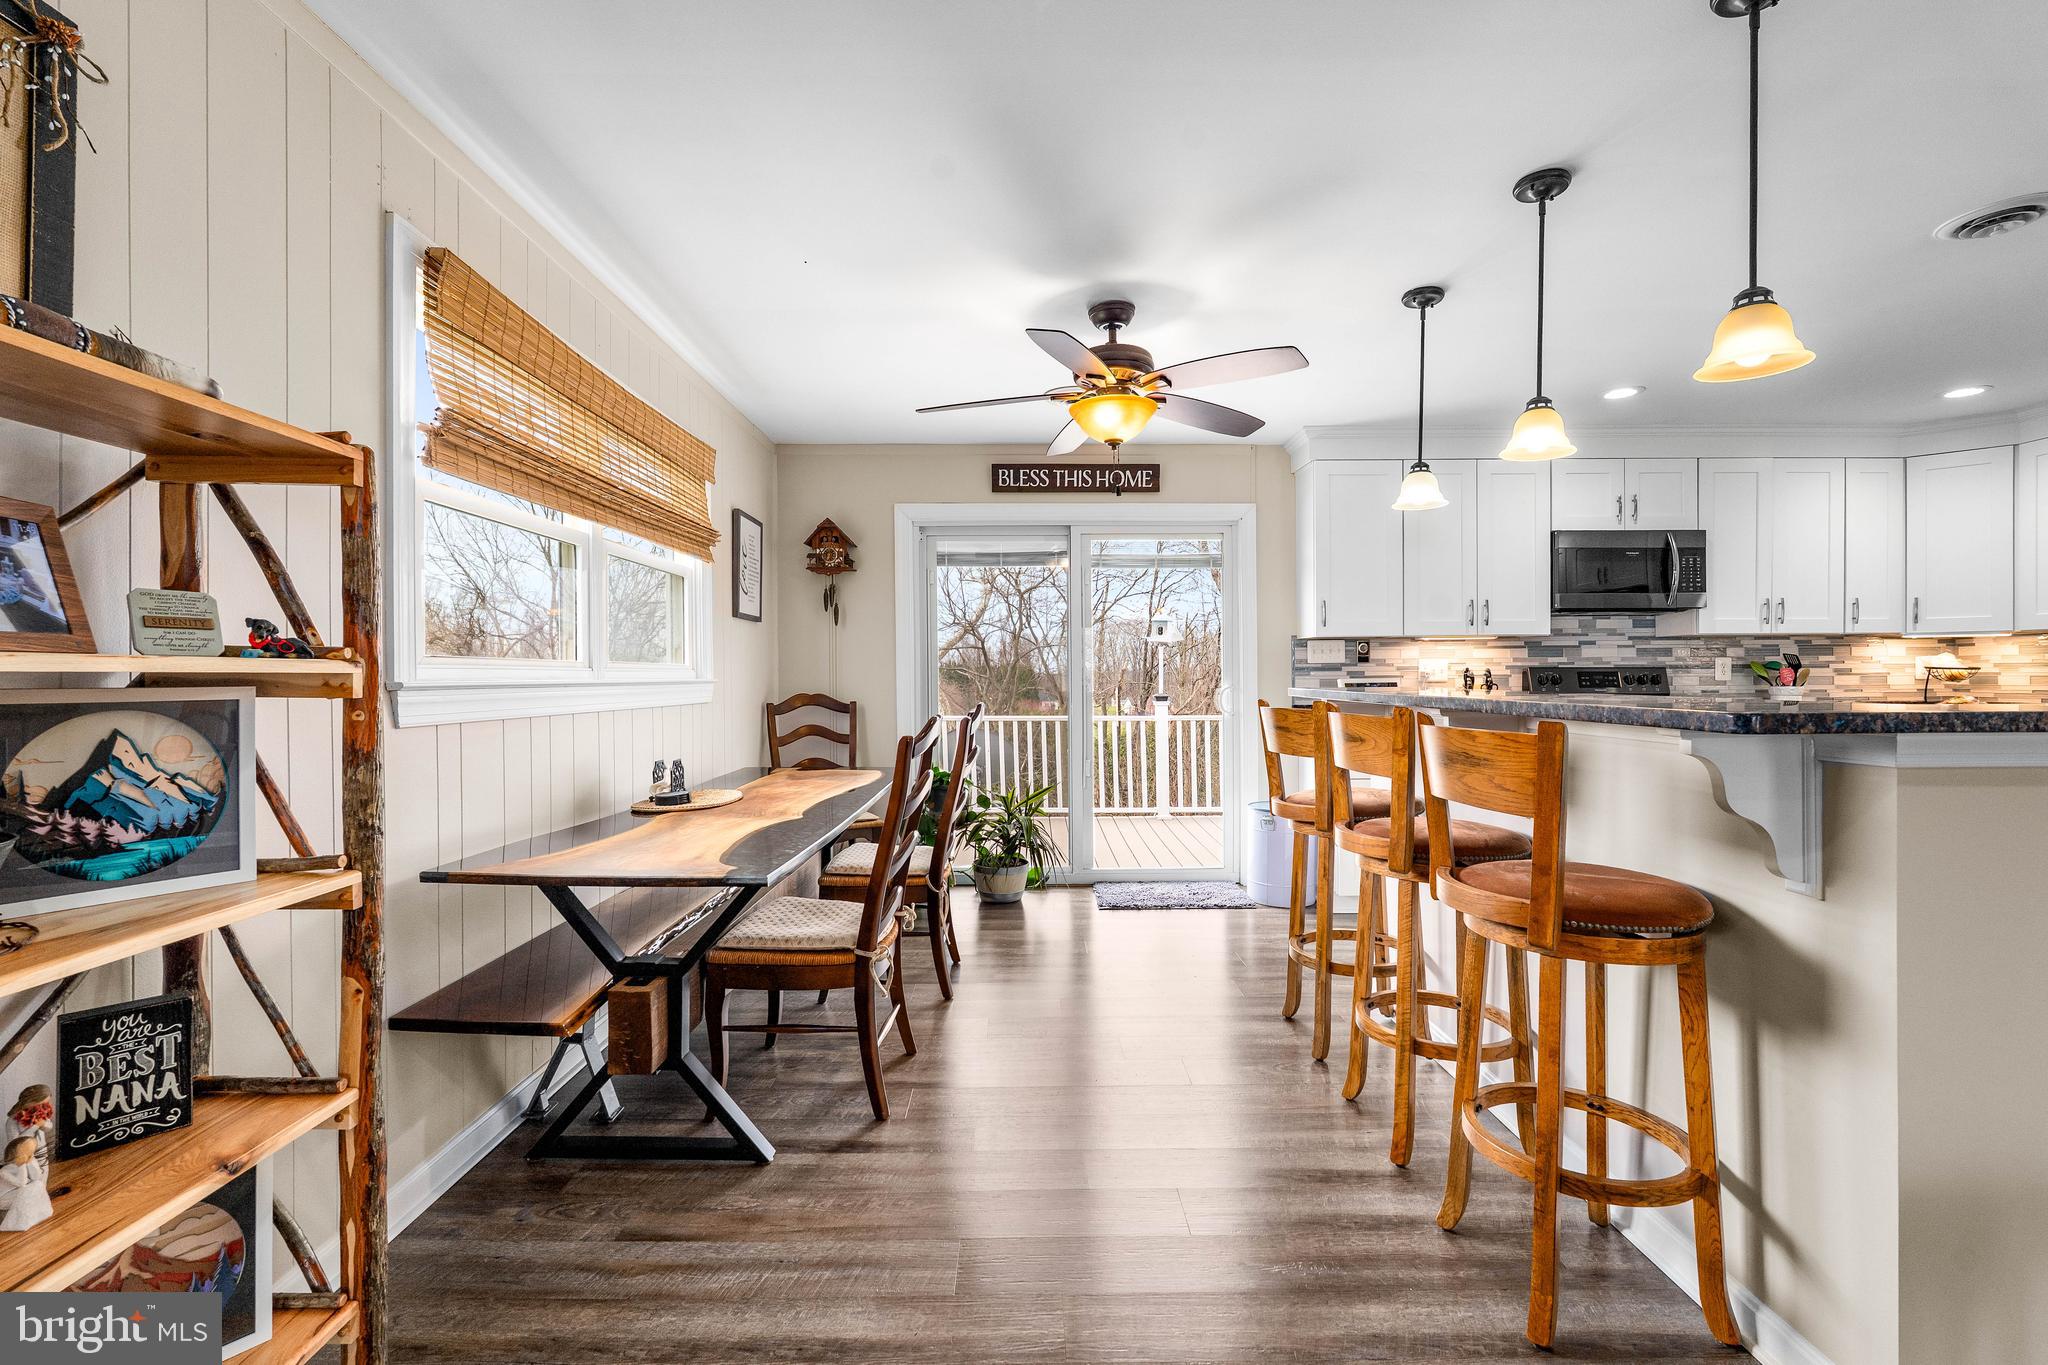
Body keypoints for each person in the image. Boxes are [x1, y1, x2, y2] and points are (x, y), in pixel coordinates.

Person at [0, 1134, 52, 1231]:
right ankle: (20, 1221)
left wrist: (31, 1161)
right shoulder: (4, 1171)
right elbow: (22, 1183)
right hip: (3, 1199)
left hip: (17, 1192)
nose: (31, 1156)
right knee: (28, 1190)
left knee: (38, 1185)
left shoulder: (27, 1163)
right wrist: (22, 1165)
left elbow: (37, 1177)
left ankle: (34, 1214)